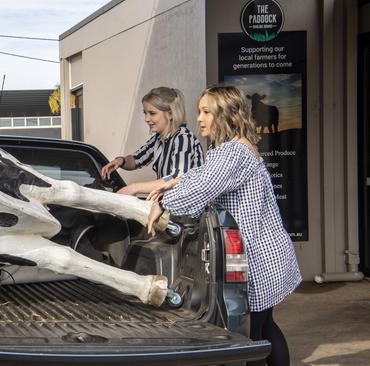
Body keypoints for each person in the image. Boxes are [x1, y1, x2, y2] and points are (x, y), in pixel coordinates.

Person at [147, 86, 301, 366]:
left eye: (207, 112)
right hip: (267, 252)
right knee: (265, 328)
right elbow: (204, 174)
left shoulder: (232, 152)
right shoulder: (237, 147)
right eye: (199, 111)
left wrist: (165, 202)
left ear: (228, 115)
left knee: (253, 340)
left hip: (258, 258)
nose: (200, 119)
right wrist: (173, 182)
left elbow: (205, 186)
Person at [100, 87, 204, 196]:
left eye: (152, 113)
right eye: (145, 113)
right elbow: (137, 159)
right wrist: (121, 161)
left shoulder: (183, 137)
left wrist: (134, 188)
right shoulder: (157, 139)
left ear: (170, 114)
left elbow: (176, 178)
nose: (146, 119)